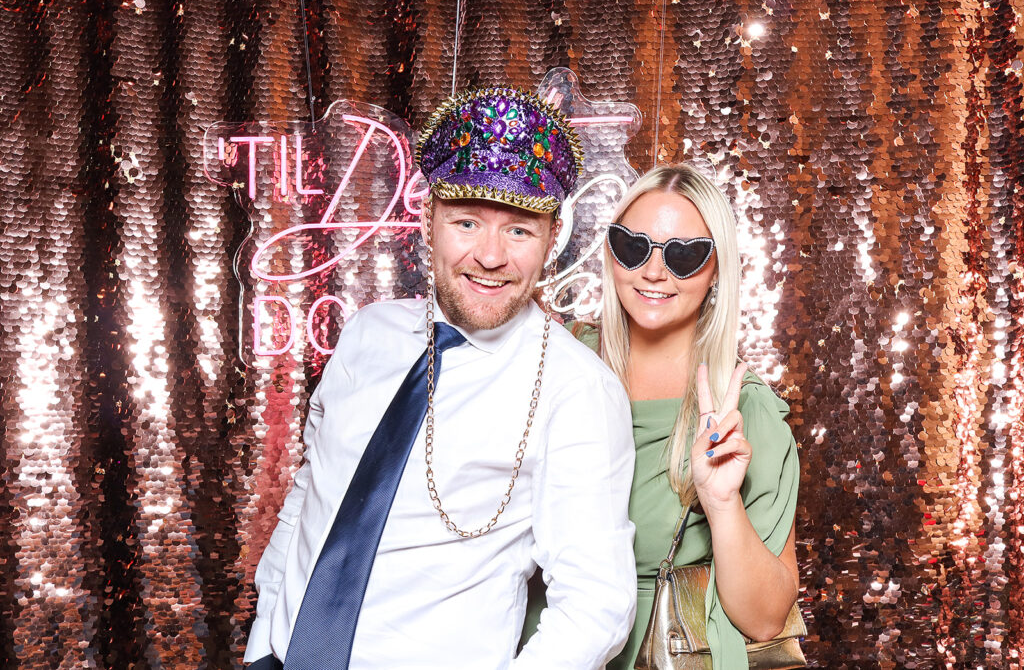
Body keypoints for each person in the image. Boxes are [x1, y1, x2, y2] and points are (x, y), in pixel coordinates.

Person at [243, 87, 637, 670]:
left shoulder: (576, 390)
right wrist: (262, 641)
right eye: (468, 222)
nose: (491, 255)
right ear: (427, 221)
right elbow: (312, 495)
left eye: (520, 231)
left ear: (553, 239)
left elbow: (595, 606)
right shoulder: (366, 335)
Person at [524, 163, 800, 668]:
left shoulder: (744, 410)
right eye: (633, 246)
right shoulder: (556, 363)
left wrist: (721, 504)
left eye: (684, 256)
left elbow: (764, 619)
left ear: (717, 269)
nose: (653, 272)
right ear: (610, 252)